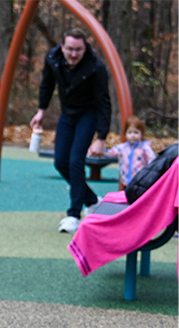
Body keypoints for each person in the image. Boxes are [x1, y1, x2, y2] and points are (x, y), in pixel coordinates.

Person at [30, 28, 113, 234]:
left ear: (85, 48)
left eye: (78, 50)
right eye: (69, 49)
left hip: (88, 114)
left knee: (76, 160)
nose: (73, 54)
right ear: (62, 46)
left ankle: (74, 214)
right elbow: (47, 85)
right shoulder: (53, 58)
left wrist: (101, 137)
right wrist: (41, 111)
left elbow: (104, 103)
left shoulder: (95, 67)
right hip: (68, 114)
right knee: (61, 162)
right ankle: (92, 200)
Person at [104, 116, 157, 190]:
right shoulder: (122, 147)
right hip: (126, 181)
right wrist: (101, 152)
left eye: (136, 133)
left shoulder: (145, 148)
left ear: (141, 134)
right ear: (125, 134)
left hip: (140, 181)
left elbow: (152, 160)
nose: (132, 135)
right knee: (127, 196)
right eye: (130, 132)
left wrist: (148, 173)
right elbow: (111, 152)